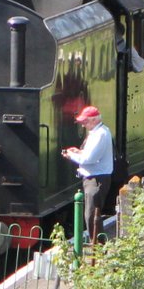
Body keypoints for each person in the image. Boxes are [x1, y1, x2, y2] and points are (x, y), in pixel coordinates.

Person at [61, 104, 114, 243]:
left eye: (85, 121)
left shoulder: (100, 134)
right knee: (90, 214)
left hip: (96, 179)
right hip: (93, 177)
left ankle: (98, 247)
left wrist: (71, 156)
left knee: (91, 215)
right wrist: (78, 152)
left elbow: (88, 159)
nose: (83, 125)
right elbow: (89, 154)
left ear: (94, 120)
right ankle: (96, 244)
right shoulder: (97, 132)